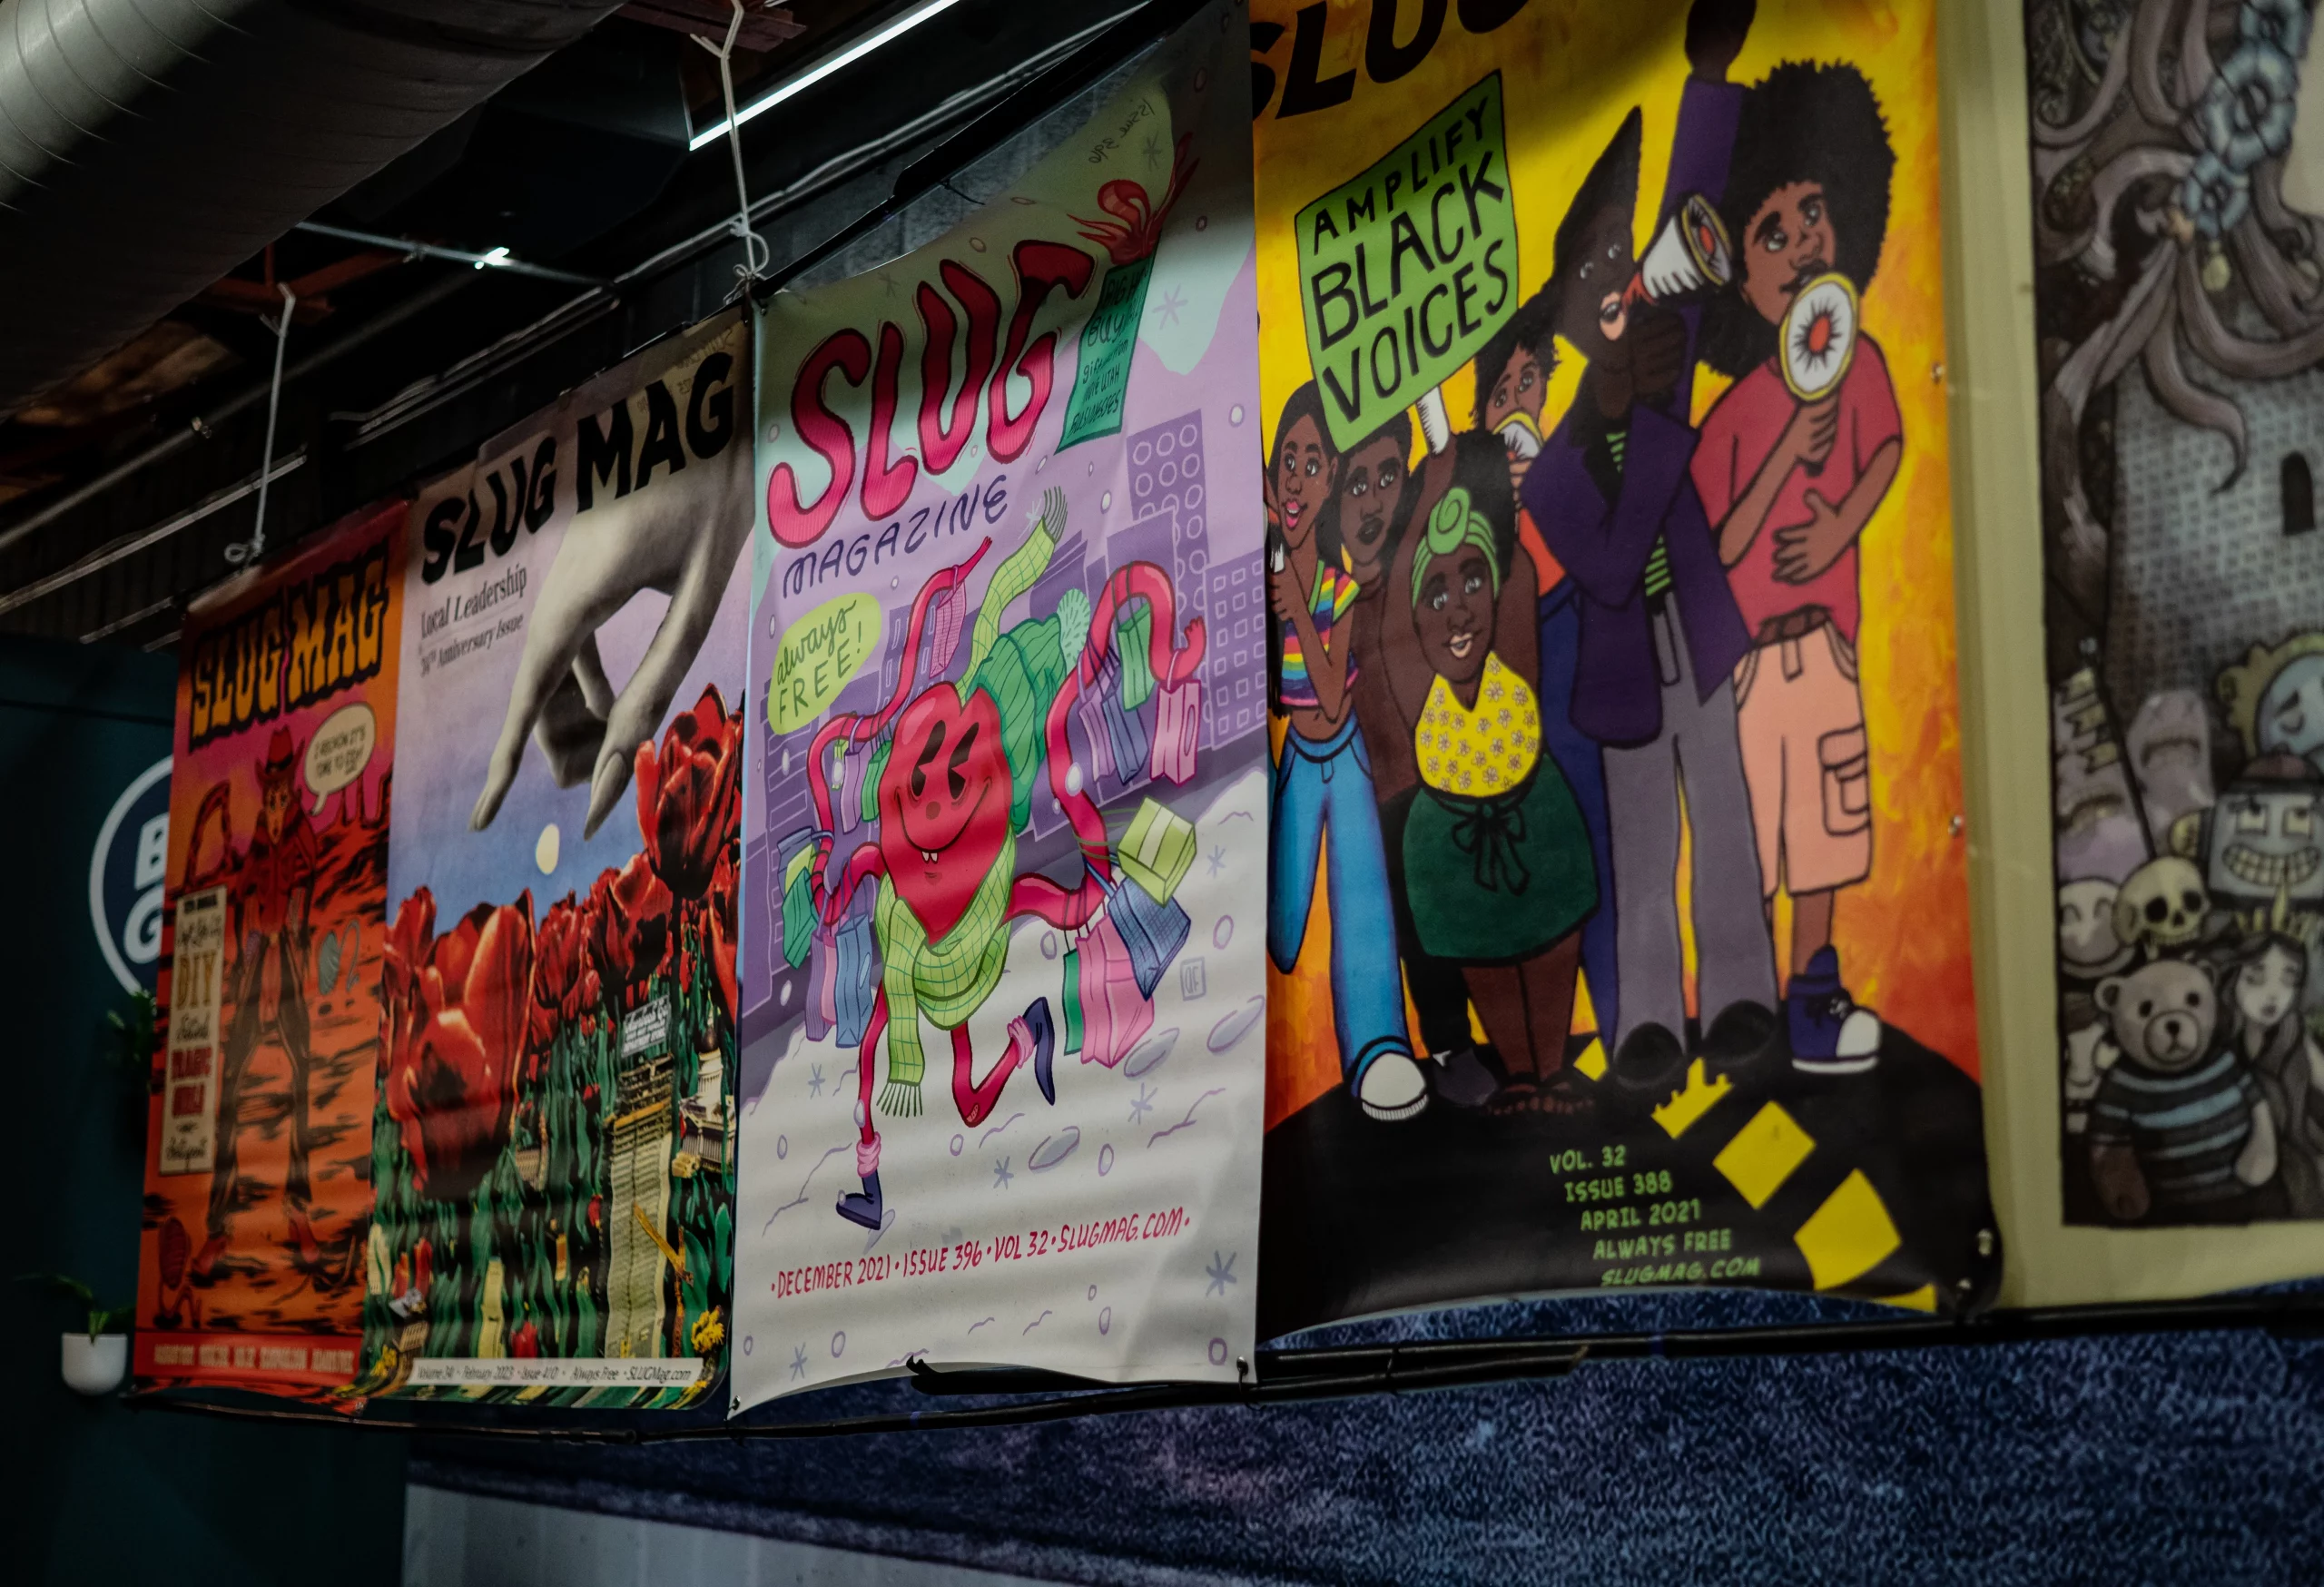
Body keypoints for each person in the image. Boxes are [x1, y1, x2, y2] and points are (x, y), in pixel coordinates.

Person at [1519, 4, 1781, 1099]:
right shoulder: (1552, 472)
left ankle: (1742, 998)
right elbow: (1614, 562)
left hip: (1696, 643)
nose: (1625, 293)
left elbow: (1690, 206)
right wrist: (1638, 422)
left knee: (1723, 815)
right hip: (1624, 673)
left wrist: (1708, 73)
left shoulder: (1653, 368)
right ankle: (1648, 1023)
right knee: (1640, 843)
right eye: (1601, 288)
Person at [1692, 60, 1897, 1071]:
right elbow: (1722, 542)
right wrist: (1784, 455)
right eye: (1770, 232)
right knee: (1755, 840)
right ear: (1740, 279)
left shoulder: (1861, 363)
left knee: (1821, 829)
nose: (1802, 238)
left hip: (1823, 651)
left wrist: (1839, 529)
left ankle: (1815, 993)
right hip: (1749, 668)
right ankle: (1749, 1004)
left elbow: (1887, 450)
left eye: (1812, 211)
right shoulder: (1735, 414)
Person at [1386, 433, 1596, 1111]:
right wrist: (1422, 500)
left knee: (1550, 945)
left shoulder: (1514, 636)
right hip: (1448, 836)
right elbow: (1396, 601)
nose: (1458, 609)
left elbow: (1517, 569)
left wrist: (1483, 483)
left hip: (1533, 810)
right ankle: (1522, 1072)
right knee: (1482, 953)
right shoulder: (1417, 680)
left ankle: (1551, 1067)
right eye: (1437, 595)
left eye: (1474, 583)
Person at [1265, 382, 1430, 1120]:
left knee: (1363, 898)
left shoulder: (1337, 586)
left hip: (1346, 756)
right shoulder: (1261, 568)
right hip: (1297, 767)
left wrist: (1296, 609)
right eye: (1288, 461)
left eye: (1313, 464)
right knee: (1282, 936)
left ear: (1330, 478)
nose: (1298, 478)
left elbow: (1332, 697)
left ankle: (1377, 1046)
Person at [1337, 411, 1495, 1105]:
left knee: (1471, 903)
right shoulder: (1328, 602)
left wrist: (1430, 405)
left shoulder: (1414, 562)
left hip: (1449, 773)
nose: (1373, 497)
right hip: (1383, 800)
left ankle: (1505, 1033)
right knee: (1417, 927)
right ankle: (1451, 1044)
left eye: (1386, 477)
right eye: (1357, 483)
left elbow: (1443, 468)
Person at [190, 728, 323, 1279]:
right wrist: (243, 959)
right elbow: (243, 898)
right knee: (229, 1089)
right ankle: (218, 1228)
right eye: (270, 790)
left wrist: (293, 932)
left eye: (283, 790)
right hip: (256, 965)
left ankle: (298, 1212)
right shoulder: (259, 844)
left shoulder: (299, 835)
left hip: (286, 964)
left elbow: (306, 884)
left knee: (301, 1076)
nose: (275, 798)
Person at [2222, 930, 2324, 1216]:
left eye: (2289, 980)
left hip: (2300, 1152)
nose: (2273, 995)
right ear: (2233, 978)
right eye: (2255, 977)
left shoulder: (2294, 1036)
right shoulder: (2221, 1045)